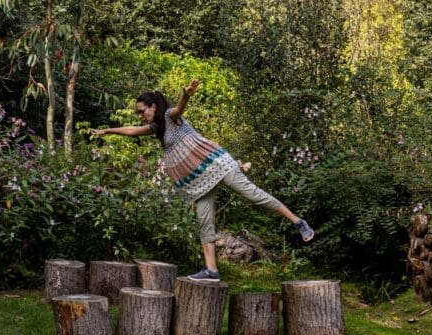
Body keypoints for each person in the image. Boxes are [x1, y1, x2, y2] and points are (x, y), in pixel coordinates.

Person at [91, 80, 314, 281]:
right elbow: (131, 131)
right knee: (204, 221)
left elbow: (179, 108)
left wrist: (186, 95)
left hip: (217, 165)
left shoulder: (170, 116)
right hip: (200, 180)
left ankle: (298, 222)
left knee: (255, 196)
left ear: (153, 107)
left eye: (142, 111)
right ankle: (211, 270)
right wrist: (108, 131)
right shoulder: (156, 128)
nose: (140, 116)